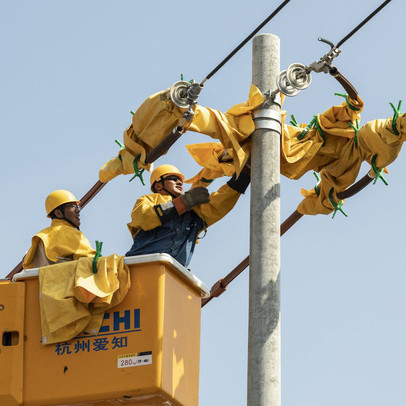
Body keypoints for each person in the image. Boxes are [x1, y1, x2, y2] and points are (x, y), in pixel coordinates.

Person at [126, 164, 250, 267]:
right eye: (173, 179)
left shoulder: (194, 212)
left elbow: (220, 203)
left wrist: (244, 175)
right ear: (158, 185)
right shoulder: (149, 199)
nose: (179, 182)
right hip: (141, 265)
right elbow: (144, 217)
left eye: (180, 180)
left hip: (174, 272)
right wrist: (183, 202)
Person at [22, 190, 95, 269]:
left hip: (45, 280)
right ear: (58, 213)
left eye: (77, 206)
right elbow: (91, 260)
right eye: (72, 206)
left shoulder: (40, 238)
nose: (78, 210)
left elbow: (27, 265)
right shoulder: (69, 232)